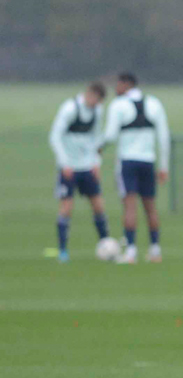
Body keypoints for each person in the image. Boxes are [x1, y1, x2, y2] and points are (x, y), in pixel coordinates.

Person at [102, 72, 171, 264]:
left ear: (126, 84)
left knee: (130, 206)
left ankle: (130, 252)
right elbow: (164, 137)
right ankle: (155, 251)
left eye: (118, 84)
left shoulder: (118, 105)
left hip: (128, 161)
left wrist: (97, 148)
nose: (116, 88)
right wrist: (164, 166)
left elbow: (110, 135)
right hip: (148, 161)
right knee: (150, 207)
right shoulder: (155, 104)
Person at [48, 81, 115, 262]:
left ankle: (105, 244)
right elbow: (55, 136)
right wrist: (64, 164)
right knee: (66, 208)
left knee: (98, 205)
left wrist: (96, 163)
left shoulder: (97, 111)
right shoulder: (70, 109)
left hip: (87, 166)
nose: (97, 105)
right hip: (69, 167)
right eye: (97, 100)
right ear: (90, 94)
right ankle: (63, 251)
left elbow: (96, 138)